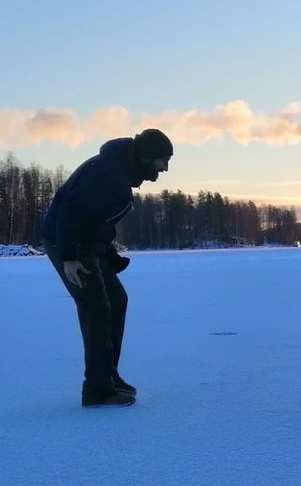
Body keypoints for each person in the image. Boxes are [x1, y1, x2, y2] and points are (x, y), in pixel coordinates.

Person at [39, 129, 172, 407]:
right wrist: (69, 258)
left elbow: (94, 221)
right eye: (162, 160)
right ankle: (97, 389)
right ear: (146, 157)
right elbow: (70, 212)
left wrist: (108, 254)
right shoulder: (109, 176)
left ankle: (108, 376)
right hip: (68, 244)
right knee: (96, 309)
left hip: (85, 244)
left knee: (117, 300)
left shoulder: (118, 172)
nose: (165, 168)